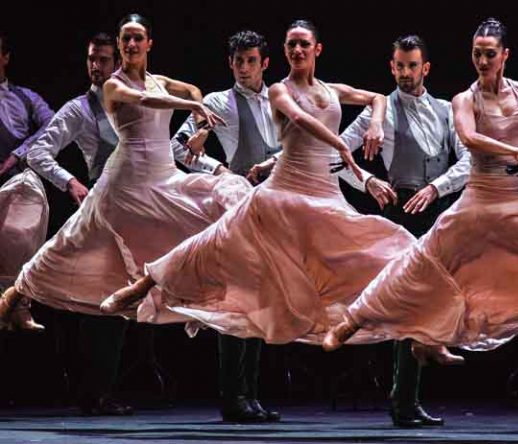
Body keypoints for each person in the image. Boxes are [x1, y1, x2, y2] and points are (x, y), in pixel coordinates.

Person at [323, 18, 518, 432]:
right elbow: (469, 141)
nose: (482, 61)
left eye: (490, 54)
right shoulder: (461, 100)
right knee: (419, 276)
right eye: (477, 54)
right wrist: (368, 179)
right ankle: (365, 328)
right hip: (471, 204)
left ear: (505, 56)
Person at [102, 21, 414, 359]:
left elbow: (367, 108)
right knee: (216, 245)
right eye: (291, 45)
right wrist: (217, 164)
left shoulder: (323, 91)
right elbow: (299, 122)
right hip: (267, 192)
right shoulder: (274, 93)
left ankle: (396, 329)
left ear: (315, 50)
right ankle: (145, 284)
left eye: (303, 45)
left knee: (381, 247)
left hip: (318, 194)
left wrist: (373, 138)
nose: (297, 51)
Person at [0, 14, 251, 330]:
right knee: (68, 245)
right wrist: (192, 107)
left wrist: (201, 127)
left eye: (137, 38)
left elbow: (193, 90)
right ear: (120, 45)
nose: (131, 44)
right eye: (126, 39)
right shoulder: (113, 85)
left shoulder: (160, 81)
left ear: (149, 43)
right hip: (127, 181)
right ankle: (13, 298)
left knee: (223, 200)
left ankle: (164, 293)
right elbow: (144, 99)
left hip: (164, 176)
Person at [338, 34, 470, 428]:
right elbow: (335, 153)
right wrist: (367, 181)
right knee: (409, 302)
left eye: (412, 66)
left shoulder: (446, 110)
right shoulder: (380, 112)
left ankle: (407, 397)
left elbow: (469, 161)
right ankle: (403, 400)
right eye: (399, 66)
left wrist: (437, 188)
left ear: (425, 68)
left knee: (429, 301)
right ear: (391, 66)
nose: (405, 73)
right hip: (402, 212)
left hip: (437, 210)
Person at [167, 30, 282, 423]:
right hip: (238, 205)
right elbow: (179, 146)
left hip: (274, 204)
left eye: (251, 61)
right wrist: (217, 169)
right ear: (230, 63)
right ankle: (233, 396)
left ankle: (251, 393)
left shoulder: (278, 99)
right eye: (238, 62)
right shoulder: (218, 102)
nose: (244, 69)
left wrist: (275, 164)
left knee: (262, 300)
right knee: (237, 299)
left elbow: (295, 147)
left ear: (265, 63)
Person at [0, 30, 54, 331]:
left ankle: (18, 308)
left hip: (12, 177)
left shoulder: (24, 97)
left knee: (18, 243)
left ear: (5, 57)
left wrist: (18, 153)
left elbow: (53, 123)